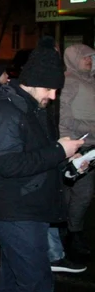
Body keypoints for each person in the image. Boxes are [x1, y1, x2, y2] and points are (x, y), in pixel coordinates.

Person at [0, 36, 85, 292]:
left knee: (12, 281)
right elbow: (9, 164)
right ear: (34, 82)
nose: (53, 96)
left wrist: (67, 163)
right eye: (50, 89)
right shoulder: (5, 110)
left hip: (30, 207)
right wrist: (58, 152)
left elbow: (36, 153)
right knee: (38, 288)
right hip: (14, 211)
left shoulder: (33, 107)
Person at [57, 43, 95, 256]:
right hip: (77, 145)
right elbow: (64, 117)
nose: (88, 61)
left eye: (90, 57)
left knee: (72, 192)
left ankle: (66, 230)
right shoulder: (70, 81)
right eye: (84, 58)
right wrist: (67, 147)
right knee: (82, 192)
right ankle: (73, 233)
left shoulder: (89, 80)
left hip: (89, 144)